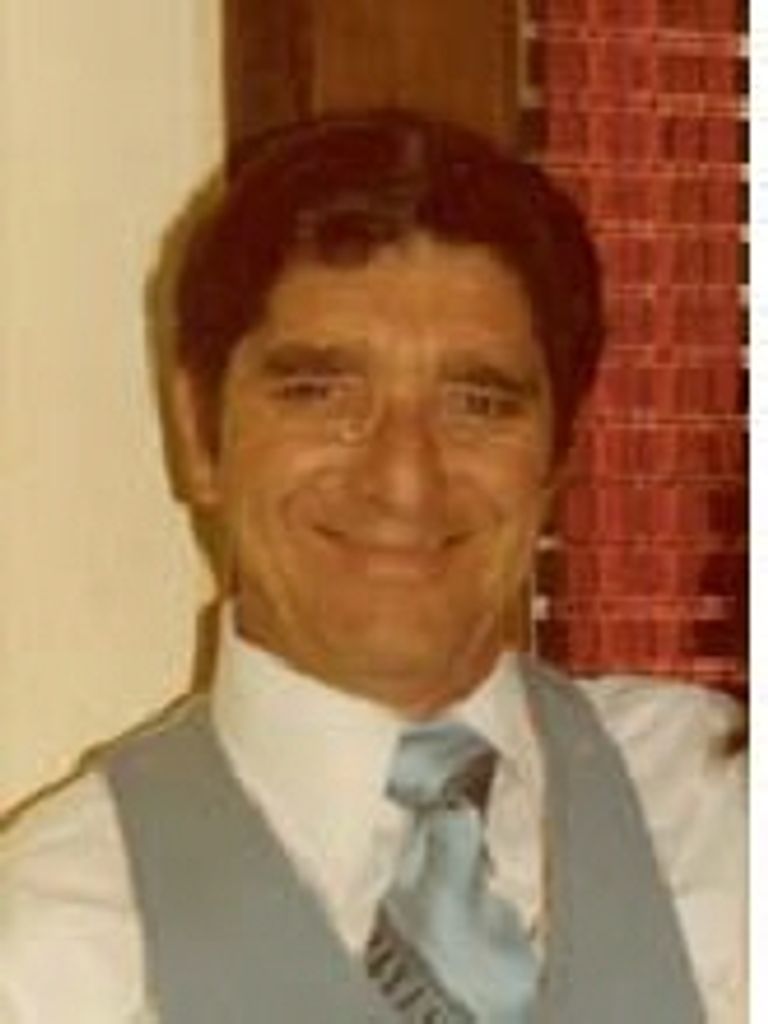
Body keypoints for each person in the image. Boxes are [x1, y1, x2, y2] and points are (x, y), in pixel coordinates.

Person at [0, 110, 745, 1022]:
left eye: (478, 403)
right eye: (321, 392)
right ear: (197, 435)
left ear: (558, 455)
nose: (404, 479)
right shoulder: (50, 953)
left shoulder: (715, 810)